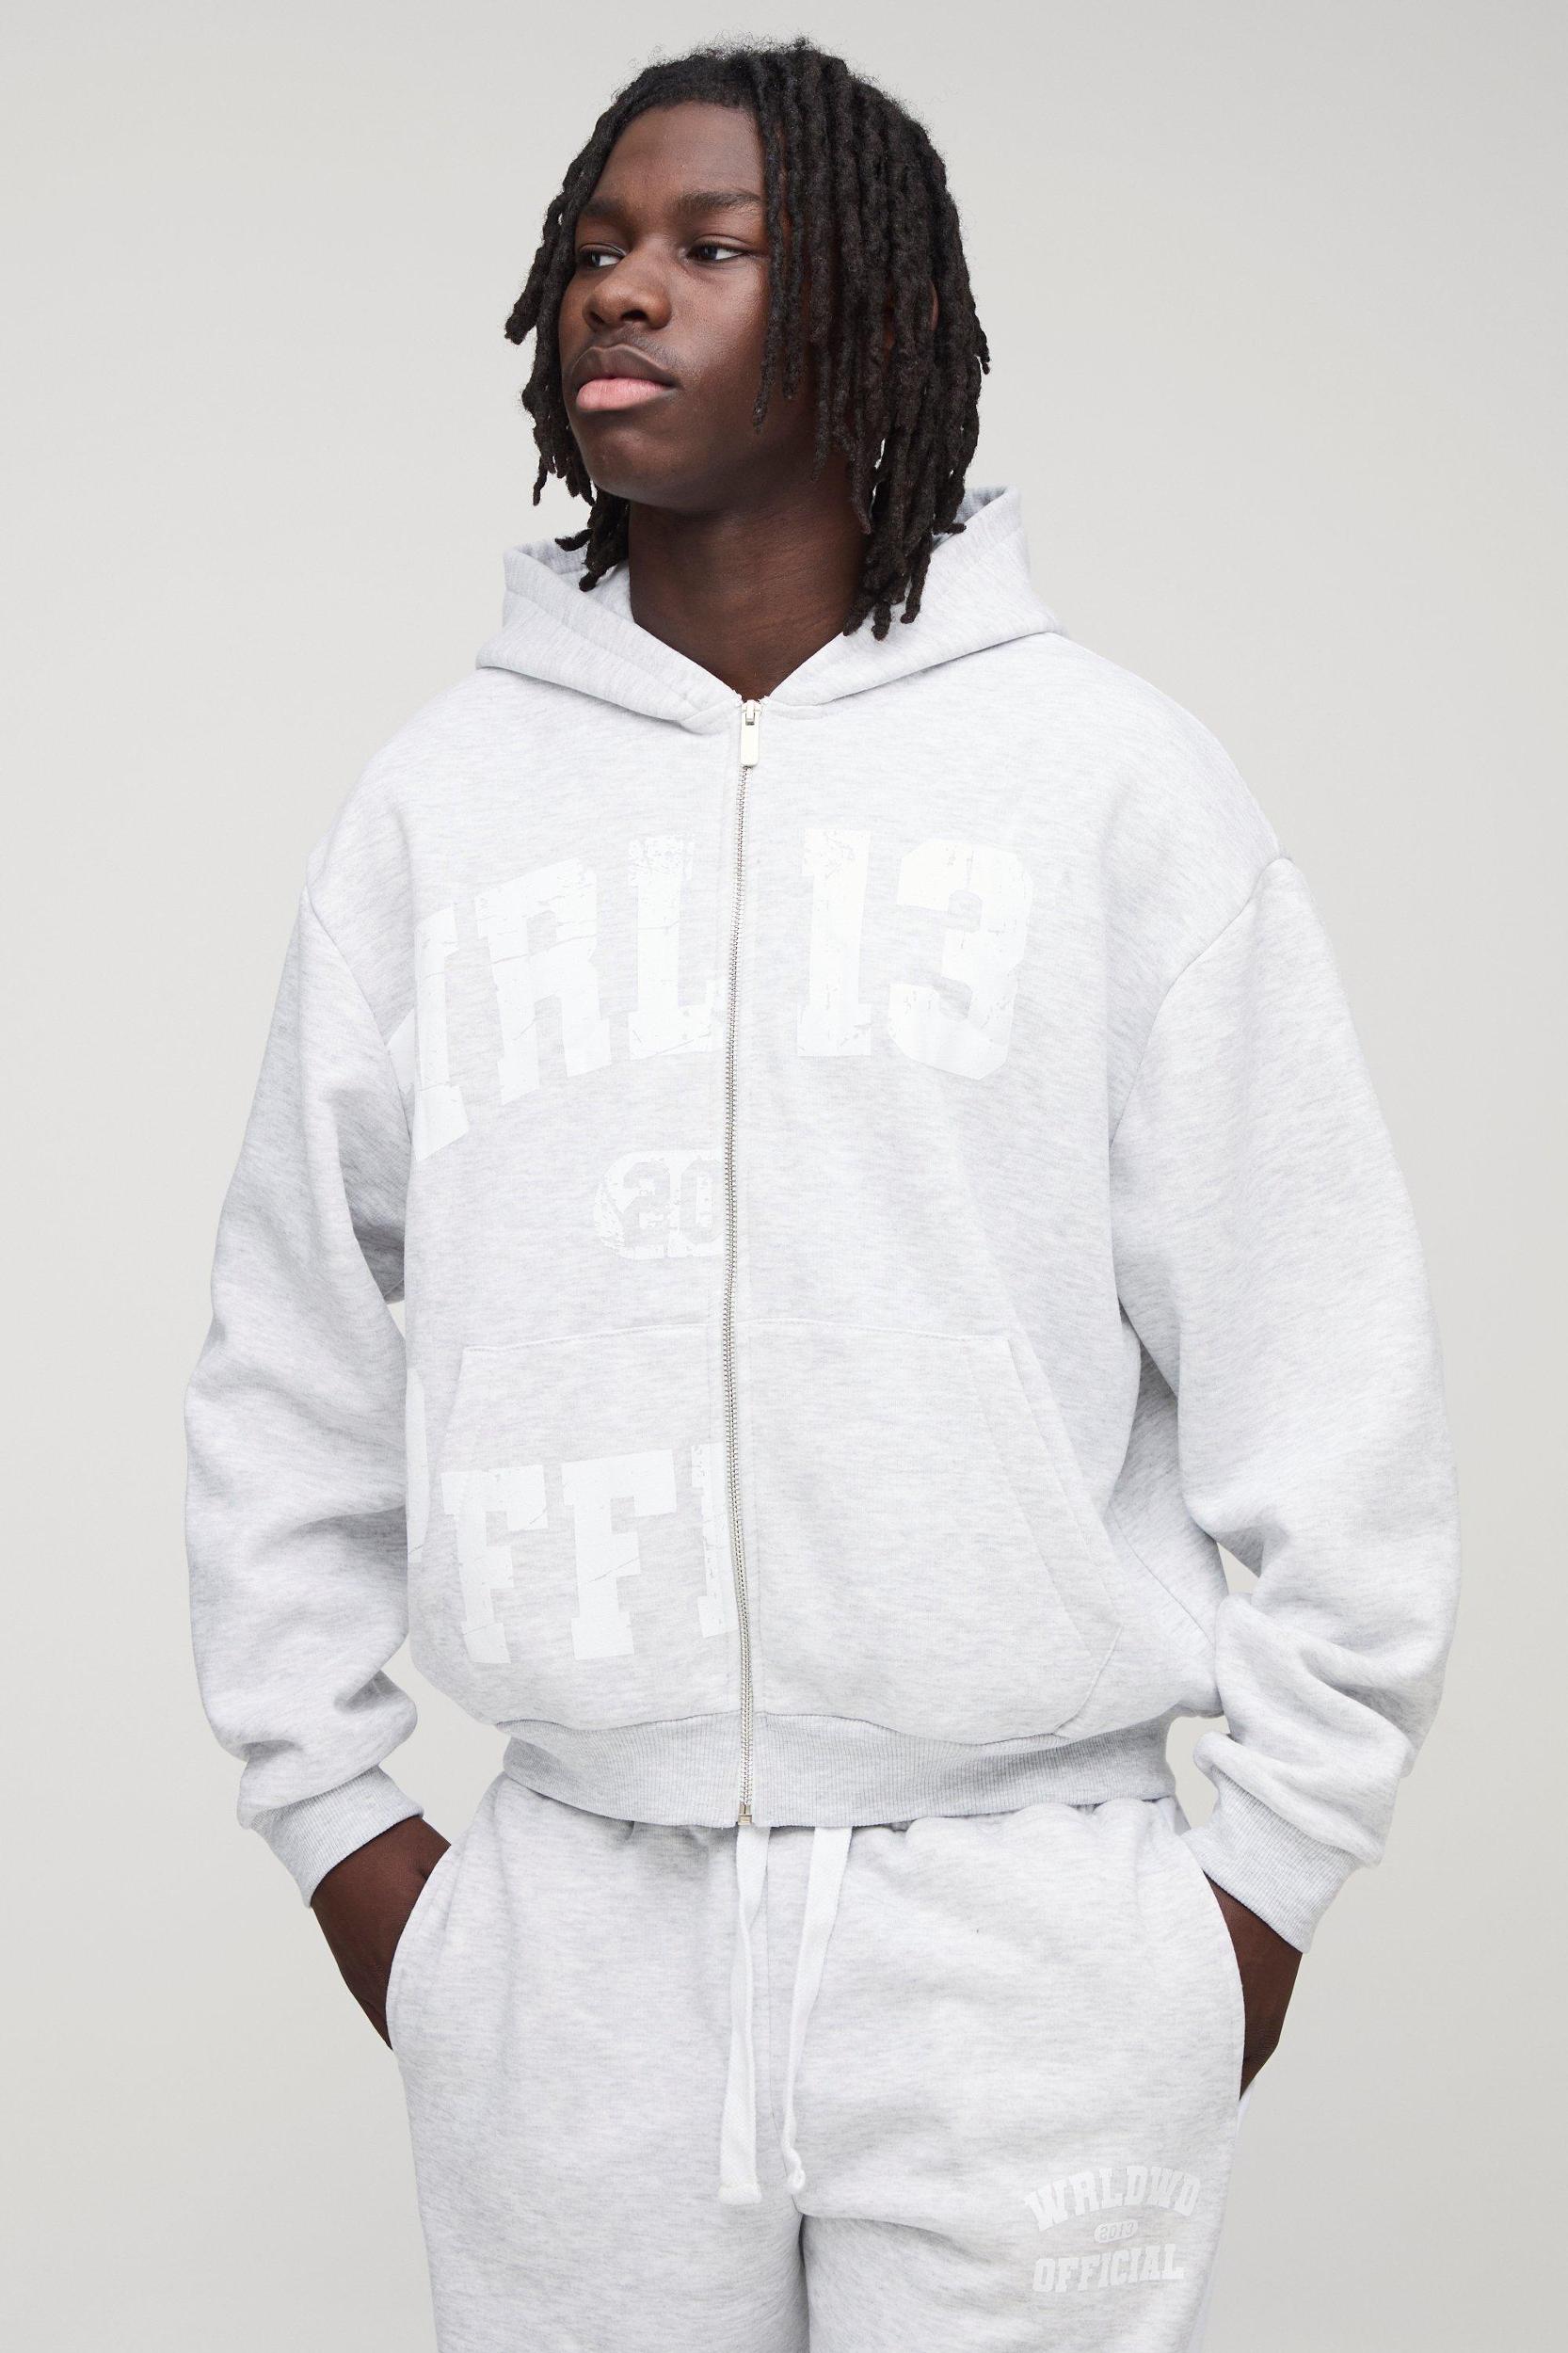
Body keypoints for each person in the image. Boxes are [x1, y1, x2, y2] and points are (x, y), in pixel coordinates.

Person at [184, 36, 1461, 2352]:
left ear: (870, 310)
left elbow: (1322, 1356)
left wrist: (1248, 1899)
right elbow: (285, 1352)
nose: (620, 292)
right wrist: (355, 1842)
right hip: (574, 1954)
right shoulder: (440, 810)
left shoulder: (1106, 788)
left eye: (709, 247)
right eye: (597, 246)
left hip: (1027, 1942)